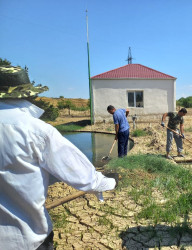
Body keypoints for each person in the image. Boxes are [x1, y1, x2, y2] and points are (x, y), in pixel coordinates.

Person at [0, 65, 118, 250]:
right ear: (27, 94)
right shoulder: (35, 131)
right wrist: (110, 182)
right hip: (27, 239)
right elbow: (81, 175)